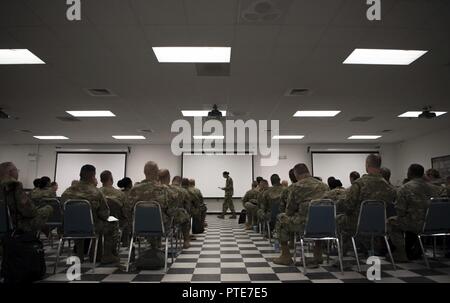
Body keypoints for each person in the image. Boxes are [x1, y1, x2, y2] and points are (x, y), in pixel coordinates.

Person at [339, 154, 396, 257]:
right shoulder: (388, 186)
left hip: (357, 224)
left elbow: (349, 206)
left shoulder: (359, 184)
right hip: (380, 224)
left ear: (367, 164)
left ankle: (342, 255)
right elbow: (390, 205)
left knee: (338, 220)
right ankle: (369, 248)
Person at [61, 164, 119, 265]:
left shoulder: (67, 192)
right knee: (113, 223)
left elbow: (62, 210)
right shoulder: (96, 192)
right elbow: (105, 213)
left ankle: (80, 254)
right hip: (92, 227)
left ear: (80, 174)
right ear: (93, 176)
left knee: (79, 223)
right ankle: (106, 255)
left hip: (70, 227)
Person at [273, 163, 329, 266]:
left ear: (296, 174)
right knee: (318, 218)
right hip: (324, 225)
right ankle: (318, 255)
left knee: (281, 218)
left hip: (304, 225)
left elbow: (289, 212)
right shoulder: (324, 186)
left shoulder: (296, 187)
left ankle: (285, 256)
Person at [388, 164, 446, 262]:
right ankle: (416, 250)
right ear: (422, 174)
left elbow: (400, 211)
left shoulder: (404, 188)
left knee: (391, 222)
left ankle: (402, 253)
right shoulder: (436, 188)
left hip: (415, 224)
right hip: (434, 224)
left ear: (410, 173)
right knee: (410, 224)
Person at [128, 161, 173, 249]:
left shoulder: (134, 190)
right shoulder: (163, 189)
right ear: (157, 173)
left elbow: (127, 210)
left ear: (144, 172)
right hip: (160, 226)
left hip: (138, 226)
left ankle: (151, 248)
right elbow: (170, 210)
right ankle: (156, 248)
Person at [0, 162, 53, 234]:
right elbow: (29, 212)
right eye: (17, 170)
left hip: (3, 224)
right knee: (48, 209)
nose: (17, 173)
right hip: (16, 225)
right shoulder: (13, 185)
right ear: (11, 172)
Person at [158, 170, 191, 248]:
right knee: (186, 216)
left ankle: (158, 242)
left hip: (153, 221)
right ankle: (186, 241)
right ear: (169, 178)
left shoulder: (153, 190)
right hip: (170, 220)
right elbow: (187, 207)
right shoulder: (181, 191)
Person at [99, 170, 128, 247]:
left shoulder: (97, 193)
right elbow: (125, 212)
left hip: (99, 223)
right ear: (111, 179)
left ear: (101, 180)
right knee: (128, 220)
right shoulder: (120, 194)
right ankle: (125, 243)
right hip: (116, 222)